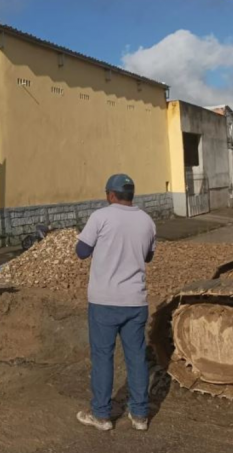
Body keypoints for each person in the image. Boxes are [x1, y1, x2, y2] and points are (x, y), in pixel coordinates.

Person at [74, 174, 155, 432]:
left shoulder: (101, 217)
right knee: (136, 357)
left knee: (102, 357)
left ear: (110, 194)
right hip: (135, 301)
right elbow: (149, 256)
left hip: (104, 301)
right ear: (131, 194)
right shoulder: (147, 221)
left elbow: (81, 251)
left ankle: (101, 415)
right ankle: (140, 415)